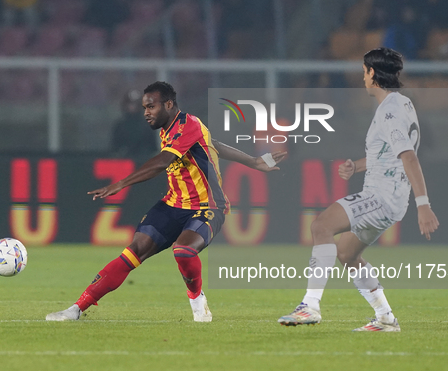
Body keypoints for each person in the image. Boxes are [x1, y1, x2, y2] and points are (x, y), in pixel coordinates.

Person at [47, 81, 287, 322]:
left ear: (169, 104)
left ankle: (196, 298)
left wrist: (120, 184)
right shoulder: (169, 130)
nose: (146, 113)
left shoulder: (188, 124)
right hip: (173, 204)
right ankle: (77, 308)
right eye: (144, 108)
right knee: (133, 251)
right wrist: (254, 161)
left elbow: (162, 162)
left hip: (207, 207)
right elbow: (213, 143)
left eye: (151, 107)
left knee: (183, 250)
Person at [278, 48, 439, 332]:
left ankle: (310, 306)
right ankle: (386, 318)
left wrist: (423, 204)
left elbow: (409, 157)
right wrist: (358, 166)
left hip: (382, 196)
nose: (362, 77)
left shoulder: (389, 110)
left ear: (373, 73)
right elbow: (391, 154)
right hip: (390, 196)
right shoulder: (403, 104)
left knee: (321, 226)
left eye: (364, 71)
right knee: (347, 254)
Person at [111, 89, 159, 162]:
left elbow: (153, 149)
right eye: (130, 104)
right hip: (124, 165)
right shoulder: (119, 127)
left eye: (135, 104)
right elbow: (114, 150)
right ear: (125, 106)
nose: (132, 107)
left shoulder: (147, 126)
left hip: (143, 164)